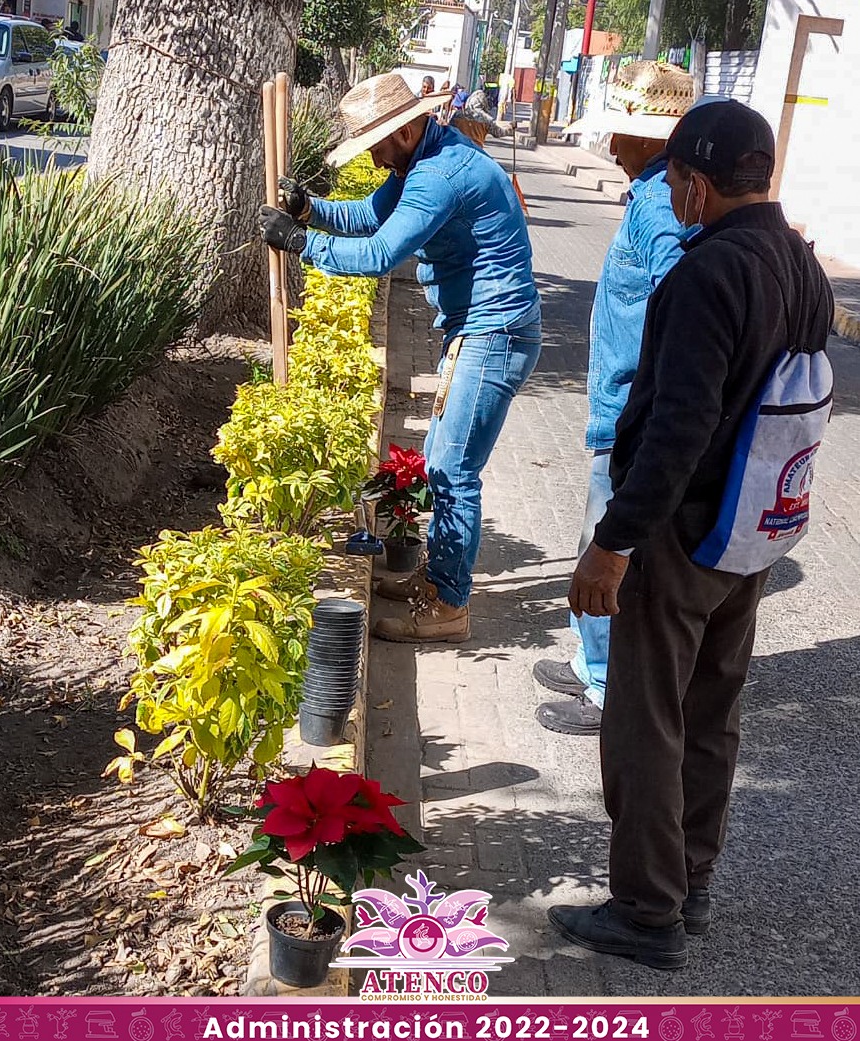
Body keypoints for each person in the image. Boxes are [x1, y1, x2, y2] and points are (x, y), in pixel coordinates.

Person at [547, 100, 834, 969]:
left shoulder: (709, 274)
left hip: (681, 529)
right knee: (712, 709)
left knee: (646, 717)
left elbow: (678, 425)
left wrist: (614, 540)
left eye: (674, 180)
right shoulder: (801, 263)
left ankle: (645, 909)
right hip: (750, 526)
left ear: (699, 184)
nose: (671, 195)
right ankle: (691, 882)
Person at [259, 73, 541, 644]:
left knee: (452, 472)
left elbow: (381, 252)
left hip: (494, 334)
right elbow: (369, 216)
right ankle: (437, 583)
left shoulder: (440, 175)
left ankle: (449, 606)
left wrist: (299, 242)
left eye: (378, 144)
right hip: (475, 329)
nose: (375, 156)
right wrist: (310, 210)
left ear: (408, 130)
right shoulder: (420, 159)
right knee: (442, 462)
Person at [532, 62, 694, 735]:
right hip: (618, 407)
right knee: (592, 538)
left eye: (619, 134)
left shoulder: (659, 207)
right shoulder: (651, 194)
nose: (608, 146)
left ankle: (605, 690)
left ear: (650, 139)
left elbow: (684, 302)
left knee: (608, 550)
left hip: (630, 414)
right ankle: (589, 658)